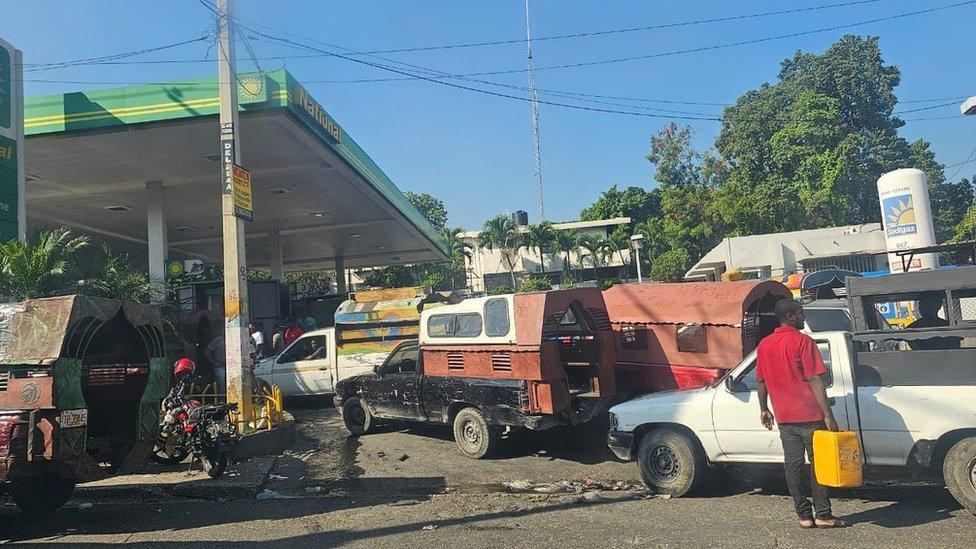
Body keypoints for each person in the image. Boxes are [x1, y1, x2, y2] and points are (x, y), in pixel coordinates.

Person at [756, 298, 846, 529]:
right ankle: (823, 514)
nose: (804, 317)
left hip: (785, 418)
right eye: (801, 313)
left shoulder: (764, 345)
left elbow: (761, 380)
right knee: (819, 465)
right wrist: (828, 415)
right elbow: (815, 379)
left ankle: (804, 516)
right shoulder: (803, 342)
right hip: (811, 416)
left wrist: (764, 408)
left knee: (793, 466)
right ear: (790, 317)